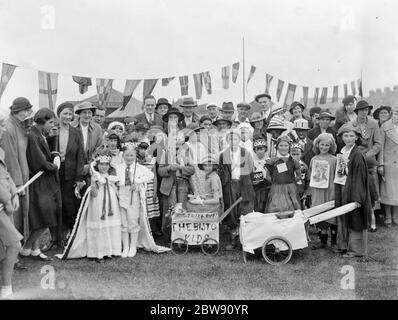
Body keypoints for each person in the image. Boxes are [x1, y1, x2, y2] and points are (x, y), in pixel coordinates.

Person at [59, 149, 122, 261]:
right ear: (97, 165)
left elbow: (117, 189)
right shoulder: (95, 176)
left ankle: (110, 250)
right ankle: (97, 251)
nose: (104, 167)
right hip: (98, 201)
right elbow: (93, 194)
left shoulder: (112, 177)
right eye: (101, 164)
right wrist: (94, 184)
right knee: (99, 223)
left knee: (110, 222)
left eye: (106, 164)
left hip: (110, 201)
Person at [20, 108, 61, 261]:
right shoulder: (33, 135)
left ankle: (33, 249)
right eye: (50, 122)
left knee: (43, 217)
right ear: (42, 121)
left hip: (43, 181)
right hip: (38, 181)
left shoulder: (39, 134)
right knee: (45, 217)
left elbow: (46, 154)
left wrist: (54, 155)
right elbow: (39, 162)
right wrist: (55, 166)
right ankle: (26, 249)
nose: (52, 125)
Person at [45, 102, 85, 249]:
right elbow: (45, 151)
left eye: (70, 114)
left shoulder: (76, 132)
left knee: (68, 206)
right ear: (58, 114)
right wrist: (50, 137)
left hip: (69, 173)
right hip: (53, 172)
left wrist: (79, 177)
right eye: (65, 113)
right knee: (53, 206)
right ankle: (54, 238)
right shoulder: (52, 130)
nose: (68, 116)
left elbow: (80, 156)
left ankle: (67, 236)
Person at [0, 97, 32, 270]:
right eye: (24, 110)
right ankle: (12, 257)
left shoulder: (19, 126)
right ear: (15, 111)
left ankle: (15, 254)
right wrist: (17, 185)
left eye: (28, 110)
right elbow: (10, 158)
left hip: (20, 179)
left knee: (19, 217)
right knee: (13, 219)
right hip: (13, 182)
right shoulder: (10, 127)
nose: (27, 113)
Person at [334, 123, 372, 258]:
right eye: (346, 135)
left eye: (351, 136)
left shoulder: (357, 155)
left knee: (355, 218)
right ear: (341, 137)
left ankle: (355, 250)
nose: (348, 138)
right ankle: (343, 245)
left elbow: (360, 178)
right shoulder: (342, 152)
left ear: (356, 137)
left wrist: (357, 198)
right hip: (343, 187)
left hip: (354, 190)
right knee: (343, 216)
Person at [158, 108, 194, 242]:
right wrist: (169, 167)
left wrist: (181, 167)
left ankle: (182, 236)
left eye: (179, 141)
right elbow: (160, 171)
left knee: (182, 207)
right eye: (174, 141)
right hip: (170, 184)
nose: (177, 144)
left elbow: (192, 170)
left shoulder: (186, 152)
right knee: (169, 209)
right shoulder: (165, 152)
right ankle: (168, 236)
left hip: (183, 183)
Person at [114, 143, 156, 257]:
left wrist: (137, 181)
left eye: (131, 155)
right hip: (122, 194)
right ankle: (125, 247)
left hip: (134, 195)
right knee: (123, 221)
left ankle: (133, 247)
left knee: (133, 220)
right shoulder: (118, 168)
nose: (129, 158)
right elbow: (113, 179)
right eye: (127, 155)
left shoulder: (139, 168)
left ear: (135, 156)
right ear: (123, 156)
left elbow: (150, 175)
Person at [218, 129, 255, 250]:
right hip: (230, 184)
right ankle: (234, 237)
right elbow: (221, 171)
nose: (233, 141)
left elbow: (250, 169)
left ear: (239, 140)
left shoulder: (246, 153)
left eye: (235, 139)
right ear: (227, 140)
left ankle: (246, 239)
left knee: (245, 209)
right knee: (232, 209)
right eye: (230, 139)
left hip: (244, 183)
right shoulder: (223, 155)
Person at [0, 111, 23, 298]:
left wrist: (14, 193)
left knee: (10, 246)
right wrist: (7, 199)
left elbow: (5, 175)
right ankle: (6, 289)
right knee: (14, 245)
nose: (3, 129)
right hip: (1, 206)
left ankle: (6, 288)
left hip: (4, 205)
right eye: (0, 126)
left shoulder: (0, 150)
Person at [349, 100, 381, 232]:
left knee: (371, 189)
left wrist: (368, 154)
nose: (364, 112)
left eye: (366, 109)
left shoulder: (374, 123)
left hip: (369, 161)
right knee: (358, 188)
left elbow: (378, 143)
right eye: (361, 110)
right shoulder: (351, 124)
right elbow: (348, 141)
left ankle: (372, 218)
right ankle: (361, 219)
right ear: (357, 111)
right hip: (356, 161)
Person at [306, 133, 338, 250]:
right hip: (318, 190)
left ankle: (334, 242)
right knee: (320, 213)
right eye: (322, 144)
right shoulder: (314, 159)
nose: (324, 147)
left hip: (330, 189)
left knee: (332, 214)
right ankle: (322, 241)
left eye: (327, 145)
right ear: (317, 144)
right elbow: (310, 175)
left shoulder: (334, 160)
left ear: (331, 146)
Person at [264, 136, 301, 213]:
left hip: (290, 189)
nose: (283, 148)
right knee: (275, 208)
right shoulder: (272, 161)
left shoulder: (293, 161)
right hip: (276, 190)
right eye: (281, 145)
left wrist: (291, 182)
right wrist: (276, 182)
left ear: (289, 147)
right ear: (277, 147)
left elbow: (299, 175)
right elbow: (267, 176)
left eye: (286, 145)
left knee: (291, 208)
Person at [136, 141, 162, 237]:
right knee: (143, 207)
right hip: (141, 185)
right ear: (138, 149)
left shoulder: (152, 160)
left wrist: (155, 190)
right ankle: (143, 230)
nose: (144, 151)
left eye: (146, 149)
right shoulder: (136, 160)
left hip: (150, 186)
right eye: (141, 149)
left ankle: (153, 229)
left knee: (152, 208)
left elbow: (154, 176)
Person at [378, 106, 398, 226]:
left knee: (397, 191)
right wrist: (381, 164)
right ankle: (388, 216)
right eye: (396, 114)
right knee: (388, 191)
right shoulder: (385, 127)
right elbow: (381, 147)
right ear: (392, 114)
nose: (397, 117)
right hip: (389, 164)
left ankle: (396, 216)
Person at [73, 101, 104, 181]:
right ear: (79, 114)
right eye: (84, 112)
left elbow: (99, 147)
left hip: (91, 167)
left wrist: (90, 164)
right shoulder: (72, 127)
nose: (87, 115)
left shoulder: (97, 128)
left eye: (89, 112)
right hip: (74, 167)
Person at [251, 136, 270, 213]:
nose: (260, 151)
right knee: (257, 206)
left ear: (265, 149)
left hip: (267, 187)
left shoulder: (269, 160)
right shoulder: (252, 161)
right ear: (254, 150)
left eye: (261, 149)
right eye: (257, 149)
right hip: (256, 188)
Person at [290, 143, 309, 209]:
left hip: (300, 194)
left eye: (297, 154)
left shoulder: (304, 167)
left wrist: (306, 193)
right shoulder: (284, 165)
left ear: (301, 154)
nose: (295, 156)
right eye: (293, 154)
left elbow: (308, 181)